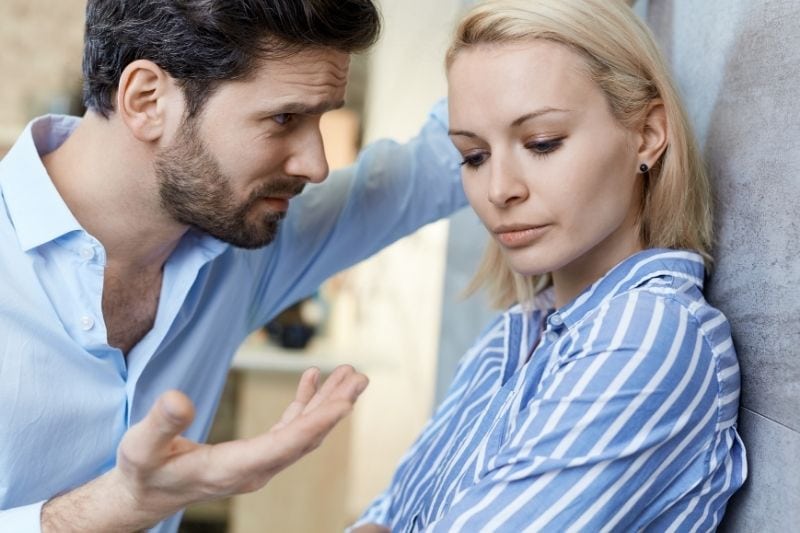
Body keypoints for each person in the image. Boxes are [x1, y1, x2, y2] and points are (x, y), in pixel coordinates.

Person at [0, 1, 464, 532]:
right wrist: (114, 508)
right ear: (147, 100)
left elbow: (440, 162)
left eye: (321, 117)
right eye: (283, 118)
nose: (315, 165)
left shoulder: (247, 243)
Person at [352, 0, 747, 531]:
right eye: (474, 156)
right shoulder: (511, 336)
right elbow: (388, 514)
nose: (499, 190)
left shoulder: (650, 333)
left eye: (542, 143)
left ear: (648, 134)